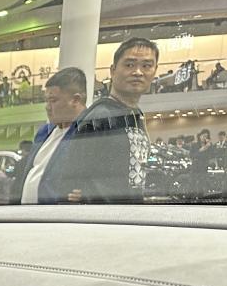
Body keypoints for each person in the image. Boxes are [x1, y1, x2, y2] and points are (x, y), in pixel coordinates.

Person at [51, 37, 157, 204]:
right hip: (105, 217)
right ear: (113, 70)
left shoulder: (135, 115)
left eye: (146, 66)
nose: (138, 72)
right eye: (129, 65)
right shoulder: (100, 116)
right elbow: (71, 183)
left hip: (129, 214)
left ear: (155, 71)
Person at [12, 66, 87, 204]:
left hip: (57, 213)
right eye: (46, 101)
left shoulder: (88, 134)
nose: (47, 107)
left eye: (53, 101)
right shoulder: (44, 132)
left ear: (75, 100)